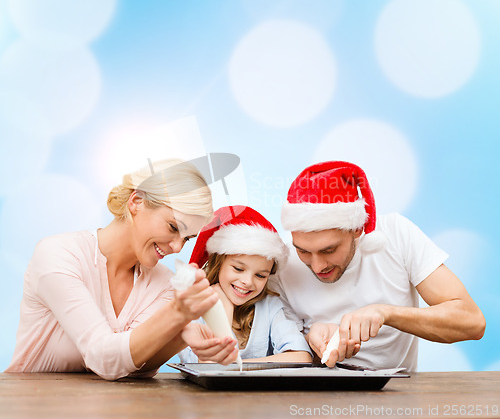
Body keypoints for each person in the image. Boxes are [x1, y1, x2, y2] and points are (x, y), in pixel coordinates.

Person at [6, 158, 239, 380]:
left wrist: (180, 336)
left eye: (187, 238)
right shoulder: (59, 255)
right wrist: (177, 316)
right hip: (33, 403)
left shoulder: (163, 284)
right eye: (173, 227)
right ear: (137, 201)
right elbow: (103, 358)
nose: (177, 247)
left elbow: (132, 368)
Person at [272, 161, 486, 371]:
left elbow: (471, 322)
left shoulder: (396, 234)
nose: (317, 266)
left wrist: (386, 314)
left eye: (329, 250)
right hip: (311, 400)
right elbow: (275, 351)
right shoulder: (281, 260)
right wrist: (311, 342)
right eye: (303, 251)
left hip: (394, 397)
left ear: (357, 228)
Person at [178, 205, 312, 363]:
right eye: (238, 268)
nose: (247, 282)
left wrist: (236, 366)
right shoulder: (192, 309)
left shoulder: (270, 307)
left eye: (260, 275)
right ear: (218, 263)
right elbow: (207, 366)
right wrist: (224, 314)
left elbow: (301, 357)